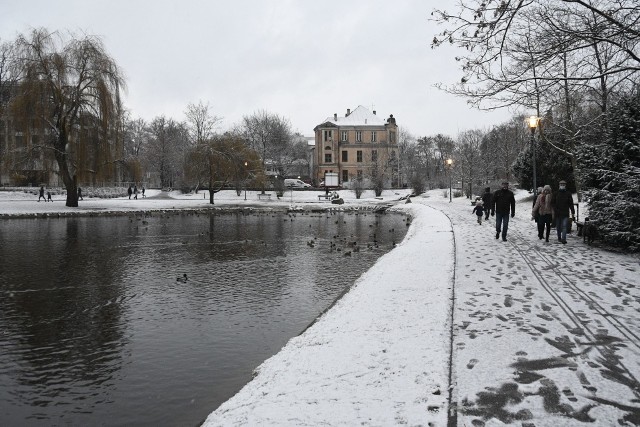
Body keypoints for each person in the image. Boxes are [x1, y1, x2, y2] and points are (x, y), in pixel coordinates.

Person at [551, 180, 575, 244]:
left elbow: (571, 203)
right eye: (561, 184)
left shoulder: (568, 193)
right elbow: (552, 203)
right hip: (558, 213)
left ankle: (563, 239)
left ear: (565, 185)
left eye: (563, 184)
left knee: (564, 226)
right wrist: (556, 209)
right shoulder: (556, 193)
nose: (562, 186)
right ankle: (559, 237)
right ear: (559, 185)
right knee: (558, 227)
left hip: (565, 213)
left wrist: (573, 212)